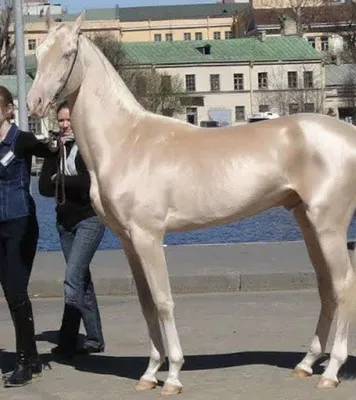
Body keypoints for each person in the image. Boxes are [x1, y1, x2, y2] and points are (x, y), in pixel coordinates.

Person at [0, 85, 58, 387]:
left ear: (9, 109)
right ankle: (32, 357)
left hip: (20, 224)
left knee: (16, 290)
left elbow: (47, 149)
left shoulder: (19, 140)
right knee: (11, 294)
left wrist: (53, 143)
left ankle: (24, 361)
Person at [39, 101, 105, 358]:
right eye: (61, 121)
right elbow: (44, 187)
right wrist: (52, 157)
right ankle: (95, 339)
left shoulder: (89, 148)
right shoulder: (57, 150)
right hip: (64, 223)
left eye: (69, 120)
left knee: (73, 278)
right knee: (81, 280)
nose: (65, 125)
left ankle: (67, 340)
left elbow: (90, 182)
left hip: (89, 218)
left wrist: (62, 180)